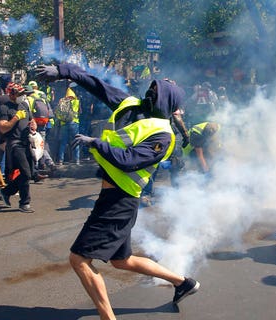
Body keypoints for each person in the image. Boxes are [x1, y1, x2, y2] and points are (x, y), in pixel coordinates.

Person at [36, 63, 200, 320]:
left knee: (79, 260)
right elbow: (95, 84)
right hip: (113, 197)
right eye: (151, 88)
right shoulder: (130, 104)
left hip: (120, 201)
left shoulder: (164, 135)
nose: (149, 93)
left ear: (166, 100)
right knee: (121, 260)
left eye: (155, 91)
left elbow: (130, 160)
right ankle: (183, 282)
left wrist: (97, 144)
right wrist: (63, 70)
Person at [0, 84, 37, 213]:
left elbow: (32, 120)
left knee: (30, 173)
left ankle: (6, 191)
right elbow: (3, 128)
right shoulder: (5, 108)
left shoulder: (25, 105)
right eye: (19, 94)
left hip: (27, 142)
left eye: (23, 94)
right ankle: (24, 203)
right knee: (25, 172)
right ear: (11, 94)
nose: (22, 96)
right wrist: (15, 118)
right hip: (15, 144)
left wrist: (33, 125)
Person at [55, 87, 80, 165]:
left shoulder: (62, 102)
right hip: (74, 123)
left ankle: (60, 160)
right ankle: (77, 160)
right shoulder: (76, 102)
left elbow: (57, 112)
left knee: (63, 142)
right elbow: (80, 111)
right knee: (76, 141)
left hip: (63, 123)